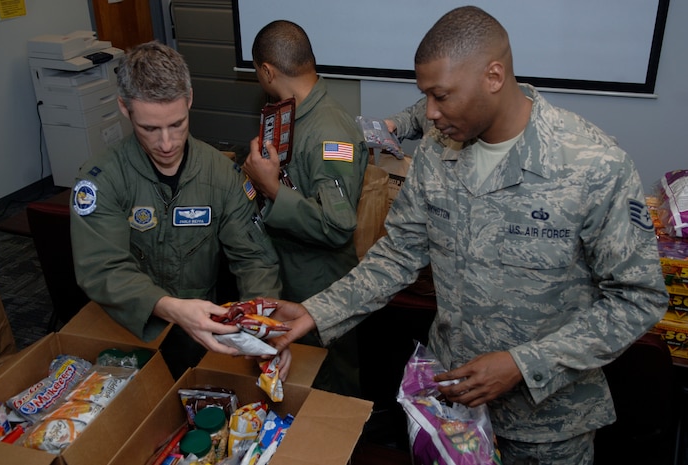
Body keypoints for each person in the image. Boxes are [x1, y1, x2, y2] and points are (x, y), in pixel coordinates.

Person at [266, 6, 668, 465]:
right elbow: (396, 256)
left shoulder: (593, 165)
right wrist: (314, 312)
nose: (430, 114)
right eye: (425, 97)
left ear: (493, 76)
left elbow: (637, 299)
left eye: (441, 96)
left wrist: (523, 364)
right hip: (451, 408)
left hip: (548, 427)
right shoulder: (439, 153)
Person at [70, 41, 285, 379]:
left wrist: (261, 326)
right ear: (124, 109)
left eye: (177, 124)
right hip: (130, 331)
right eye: (150, 129)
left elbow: (255, 259)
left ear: (190, 100)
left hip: (204, 335)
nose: (166, 143)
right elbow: (102, 269)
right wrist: (169, 307)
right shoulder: (101, 180)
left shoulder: (221, 175)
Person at [241, 20, 370, 396]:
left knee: (326, 385)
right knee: (296, 377)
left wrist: (272, 190)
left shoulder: (328, 133)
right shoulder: (290, 113)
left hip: (320, 284)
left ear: (266, 71)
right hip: (291, 270)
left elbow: (338, 224)